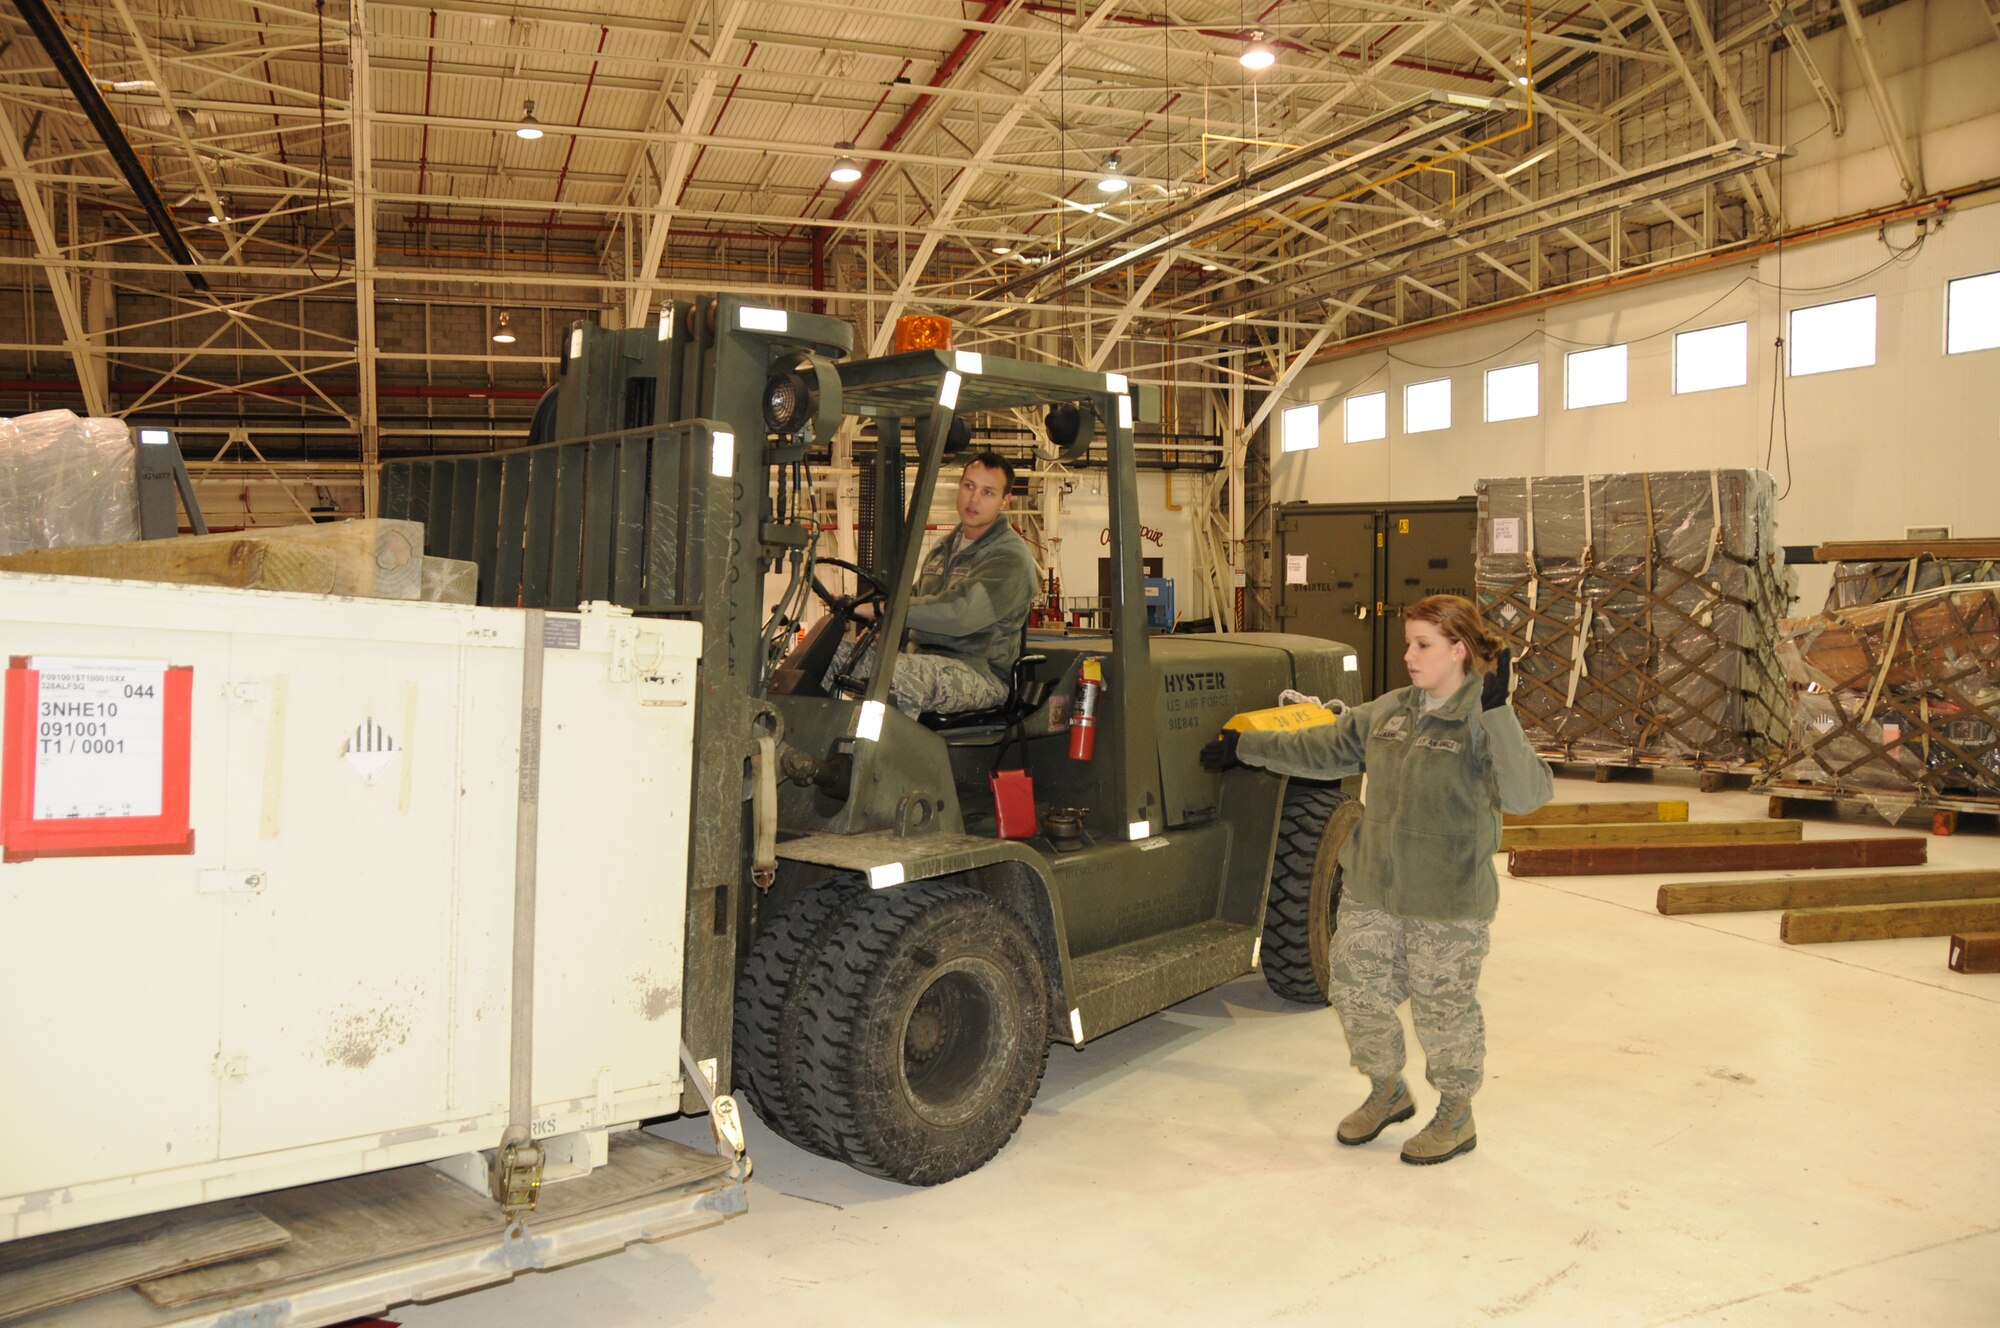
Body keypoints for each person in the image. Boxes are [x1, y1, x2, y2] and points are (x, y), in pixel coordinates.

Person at [1201, 594, 1552, 1165]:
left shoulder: (1481, 716)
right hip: (1373, 890)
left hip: (1447, 900)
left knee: (1443, 1011)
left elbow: (1527, 795)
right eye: (1408, 643)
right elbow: (1326, 746)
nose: (1409, 656)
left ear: (1459, 649)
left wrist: (1498, 713)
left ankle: (1456, 1112)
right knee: (1355, 991)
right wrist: (1249, 747)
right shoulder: (1392, 710)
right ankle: (1387, 1091)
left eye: (1423, 645)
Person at [829, 450, 1038, 717]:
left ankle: (884, 758)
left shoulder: (1009, 557)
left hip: (980, 672)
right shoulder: (944, 548)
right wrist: (886, 635)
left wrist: (883, 609)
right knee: (830, 657)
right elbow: (916, 601)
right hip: (921, 658)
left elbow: (960, 614)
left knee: (893, 678)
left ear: (1005, 501)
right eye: (969, 486)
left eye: (987, 492)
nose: (973, 499)